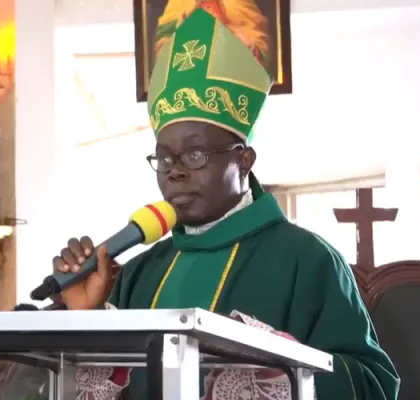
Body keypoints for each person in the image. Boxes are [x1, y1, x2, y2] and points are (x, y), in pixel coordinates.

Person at [53, 7, 399, 400]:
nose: (175, 172)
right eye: (164, 158)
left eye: (195, 155)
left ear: (244, 160)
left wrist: (281, 373)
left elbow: (373, 386)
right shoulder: (139, 272)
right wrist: (89, 317)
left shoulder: (309, 261)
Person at [154, 0, 270, 68]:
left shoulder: (238, 2)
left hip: (233, 78)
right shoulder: (178, 3)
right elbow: (162, 51)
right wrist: (187, 29)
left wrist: (226, 30)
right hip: (189, 82)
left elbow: (260, 48)